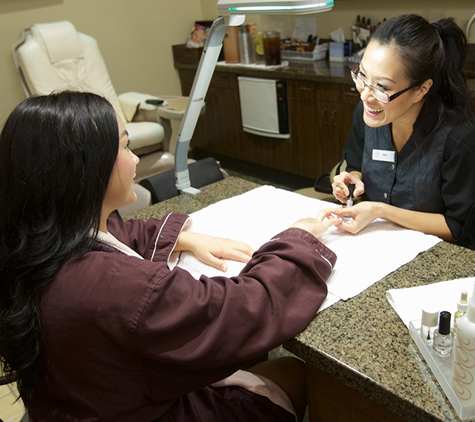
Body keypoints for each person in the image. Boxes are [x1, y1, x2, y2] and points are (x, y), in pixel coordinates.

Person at [0, 91, 340, 421]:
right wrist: (299, 238)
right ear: (85, 169)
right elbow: (244, 309)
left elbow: (120, 233)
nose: (134, 159)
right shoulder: (119, 287)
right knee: (292, 371)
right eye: (125, 146)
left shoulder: (28, 240)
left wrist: (186, 240)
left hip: (68, 403)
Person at [332, 14, 475, 249]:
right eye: (362, 76)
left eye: (382, 87)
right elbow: (354, 164)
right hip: (373, 244)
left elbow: (456, 227)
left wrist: (381, 210)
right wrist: (350, 181)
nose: (365, 96)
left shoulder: (458, 137)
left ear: (421, 90)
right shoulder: (367, 113)